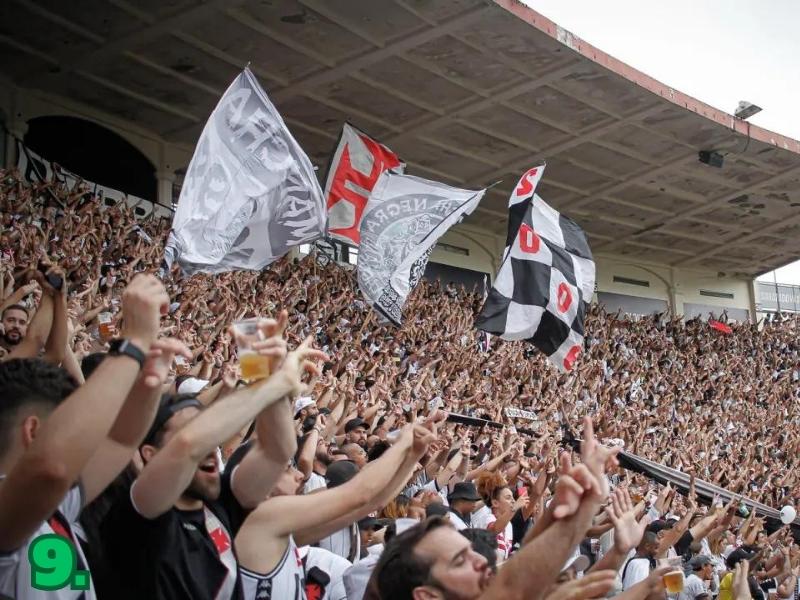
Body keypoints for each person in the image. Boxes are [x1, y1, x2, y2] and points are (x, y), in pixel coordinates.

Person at [101, 330, 328, 600]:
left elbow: (279, 451)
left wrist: (273, 376)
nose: (210, 446)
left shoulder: (219, 503)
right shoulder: (139, 509)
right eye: (199, 432)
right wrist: (269, 382)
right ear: (150, 454)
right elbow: (187, 447)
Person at [0, 274, 175, 599]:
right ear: (35, 432)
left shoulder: (58, 504)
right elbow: (48, 468)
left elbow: (120, 441)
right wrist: (132, 344)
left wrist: (148, 383)